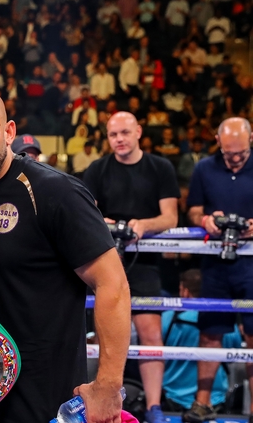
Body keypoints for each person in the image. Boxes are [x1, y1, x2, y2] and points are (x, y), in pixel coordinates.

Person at [0, 85, 131, 423]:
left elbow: (112, 285)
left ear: (9, 132)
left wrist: (107, 387)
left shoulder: (55, 191)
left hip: (46, 393)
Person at [83, 111, 180, 423]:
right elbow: (87, 213)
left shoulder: (160, 167)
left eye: (124, 133)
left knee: (150, 332)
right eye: (113, 135)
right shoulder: (98, 169)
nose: (119, 140)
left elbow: (171, 217)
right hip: (105, 260)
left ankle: (154, 407)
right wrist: (104, 222)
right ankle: (106, 405)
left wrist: (144, 225)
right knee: (103, 335)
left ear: (139, 132)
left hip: (145, 262)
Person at [183, 117, 253, 423]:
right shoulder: (204, 168)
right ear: (217, 141)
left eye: (241, 153)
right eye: (229, 153)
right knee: (210, 333)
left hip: (252, 264)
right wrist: (206, 220)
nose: (235, 159)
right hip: (216, 262)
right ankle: (202, 403)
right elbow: (194, 208)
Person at [162, 269, 242, 413]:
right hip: (214, 402)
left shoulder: (166, 319)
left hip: (172, 398)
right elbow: (233, 355)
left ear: (185, 292)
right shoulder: (225, 323)